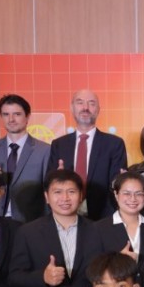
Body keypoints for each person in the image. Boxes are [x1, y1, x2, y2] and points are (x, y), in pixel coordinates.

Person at [49, 88, 129, 220]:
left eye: (91, 103)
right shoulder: (58, 144)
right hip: (66, 215)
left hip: (103, 217)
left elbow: (117, 184)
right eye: (80, 102)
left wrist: (122, 182)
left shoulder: (114, 144)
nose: (85, 108)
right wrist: (57, 178)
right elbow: (50, 183)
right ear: (72, 108)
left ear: (98, 110)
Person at [0, 94, 51, 223]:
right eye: (6, 114)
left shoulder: (45, 150)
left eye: (17, 114)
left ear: (27, 116)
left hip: (31, 221)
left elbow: (49, 190)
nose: (11, 119)